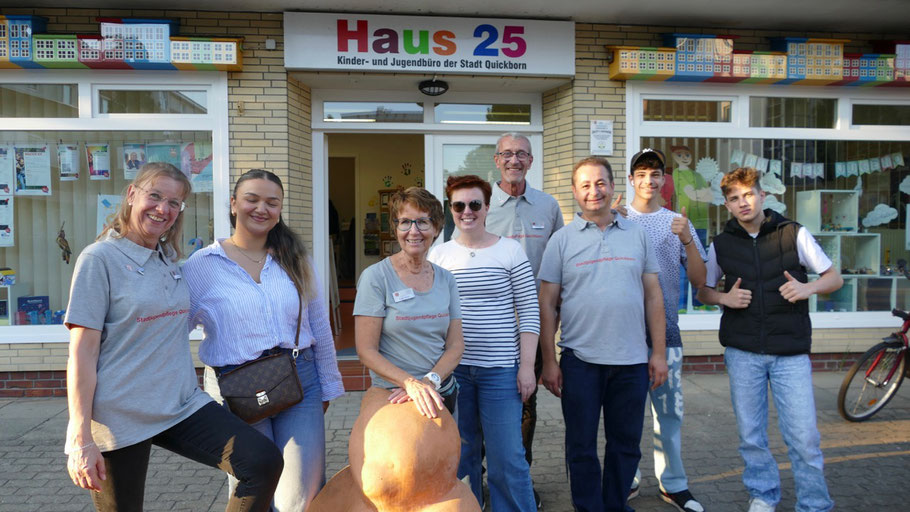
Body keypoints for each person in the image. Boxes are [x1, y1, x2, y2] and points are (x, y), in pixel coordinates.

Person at [64, 162, 282, 512]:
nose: (163, 209)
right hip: (120, 414)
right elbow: (82, 354)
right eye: (155, 196)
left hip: (180, 404)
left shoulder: (168, 258)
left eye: (174, 202)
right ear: (132, 195)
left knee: (261, 461)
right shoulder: (99, 259)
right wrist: (80, 438)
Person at [183, 169, 344, 511]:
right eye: (252, 199)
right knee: (257, 489)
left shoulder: (295, 259)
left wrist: (329, 385)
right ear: (233, 204)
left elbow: (319, 324)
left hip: (300, 379)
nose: (261, 209)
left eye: (272, 202)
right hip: (238, 387)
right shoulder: (202, 265)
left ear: (280, 209)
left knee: (299, 498)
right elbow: (173, 331)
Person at [696, 168, 841, 512]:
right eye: (734, 198)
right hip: (743, 352)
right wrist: (723, 299)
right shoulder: (721, 243)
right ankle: (763, 494)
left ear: (762, 196)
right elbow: (703, 289)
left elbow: (833, 277)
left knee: (804, 438)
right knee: (751, 436)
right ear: (727, 205)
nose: (742, 202)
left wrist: (808, 288)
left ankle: (815, 503)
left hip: (789, 352)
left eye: (748, 194)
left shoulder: (793, 233)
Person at [539, 156, 668, 512]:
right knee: (580, 447)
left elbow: (653, 296)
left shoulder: (637, 236)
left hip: (631, 362)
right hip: (581, 362)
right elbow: (547, 305)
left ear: (613, 187)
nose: (593, 191)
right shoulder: (560, 241)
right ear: (574, 192)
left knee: (625, 445)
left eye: (600, 183)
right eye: (585, 185)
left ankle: (614, 506)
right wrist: (549, 361)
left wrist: (658, 353)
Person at [428, 175, 539, 511]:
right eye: (459, 205)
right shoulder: (439, 254)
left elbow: (530, 312)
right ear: (451, 209)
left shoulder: (510, 250)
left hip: (501, 372)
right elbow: (432, 315)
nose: (467, 211)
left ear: (487, 207)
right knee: (462, 459)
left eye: (475, 204)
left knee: (508, 460)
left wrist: (527, 367)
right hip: (455, 373)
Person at [483, 132, 564, 506]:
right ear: (496, 160)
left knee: (525, 401)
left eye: (522, 154)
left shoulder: (548, 207)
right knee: (482, 399)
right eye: (507, 154)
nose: (514, 160)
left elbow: (562, 264)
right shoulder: (478, 205)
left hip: (532, 324)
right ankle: (478, 475)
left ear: (531, 161)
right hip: (485, 326)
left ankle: (520, 476)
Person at [625, 149, 707, 512]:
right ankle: (625, 479)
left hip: (667, 336)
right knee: (624, 416)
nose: (648, 180)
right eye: (641, 173)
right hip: (622, 338)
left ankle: (673, 484)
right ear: (630, 180)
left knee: (669, 414)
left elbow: (701, 282)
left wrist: (688, 238)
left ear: (663, 180)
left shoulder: (677, 222)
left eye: (655, 174)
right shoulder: (617, 218)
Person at [354, 186, 464, 418]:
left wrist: (429, 381)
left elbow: (455, 346)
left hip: (439, 390)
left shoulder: (447, 279)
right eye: (405, 222)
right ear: (396, 229)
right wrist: (411, 383)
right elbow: (366, 350)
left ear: (436, 228)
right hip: (392, 393)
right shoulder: (376, 277)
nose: (413, 231)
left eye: (423, 222)